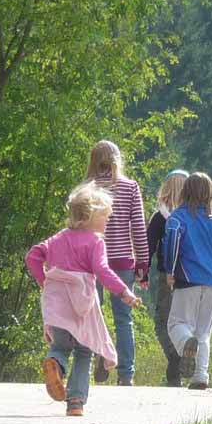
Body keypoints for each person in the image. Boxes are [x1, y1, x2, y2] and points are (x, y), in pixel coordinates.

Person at [25, 182, 143, 416]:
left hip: (57, 303)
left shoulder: (57, 238)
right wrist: (124, 292)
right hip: (82, 305)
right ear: (90, 215)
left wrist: (45, 281)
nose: (108, 222)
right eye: (106, 217)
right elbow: (102, 270)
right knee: (84, 351)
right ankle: (76, 402)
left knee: (59, 346)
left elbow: (32, 256)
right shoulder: (95, 241)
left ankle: (55, 365)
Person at [162, 172, 212, 390]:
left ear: (185, 192)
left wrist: (169, 270)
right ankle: (201, 376)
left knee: (177, 324)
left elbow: (173, 242)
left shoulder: (177, 218)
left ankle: (186, 343)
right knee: (204, 332)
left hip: (187, 279)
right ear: (211, 194)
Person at [86, 140, 149, 386]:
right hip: (122, 261)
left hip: (91, 261)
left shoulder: (87, 188)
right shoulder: (130, 187)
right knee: (124, 318)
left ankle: (100, 357)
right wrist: (143, 264)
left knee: (94, 314)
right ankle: (126, 374)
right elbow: (139, 229)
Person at [145, 169, 190, 387]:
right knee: (184, 322)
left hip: (167, 276)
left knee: (162, 322)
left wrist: (142, 273)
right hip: (192, 277)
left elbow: (148, 249)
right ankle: (181, 367)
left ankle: (175, 358)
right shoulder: (194, 216)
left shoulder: (159, 218)